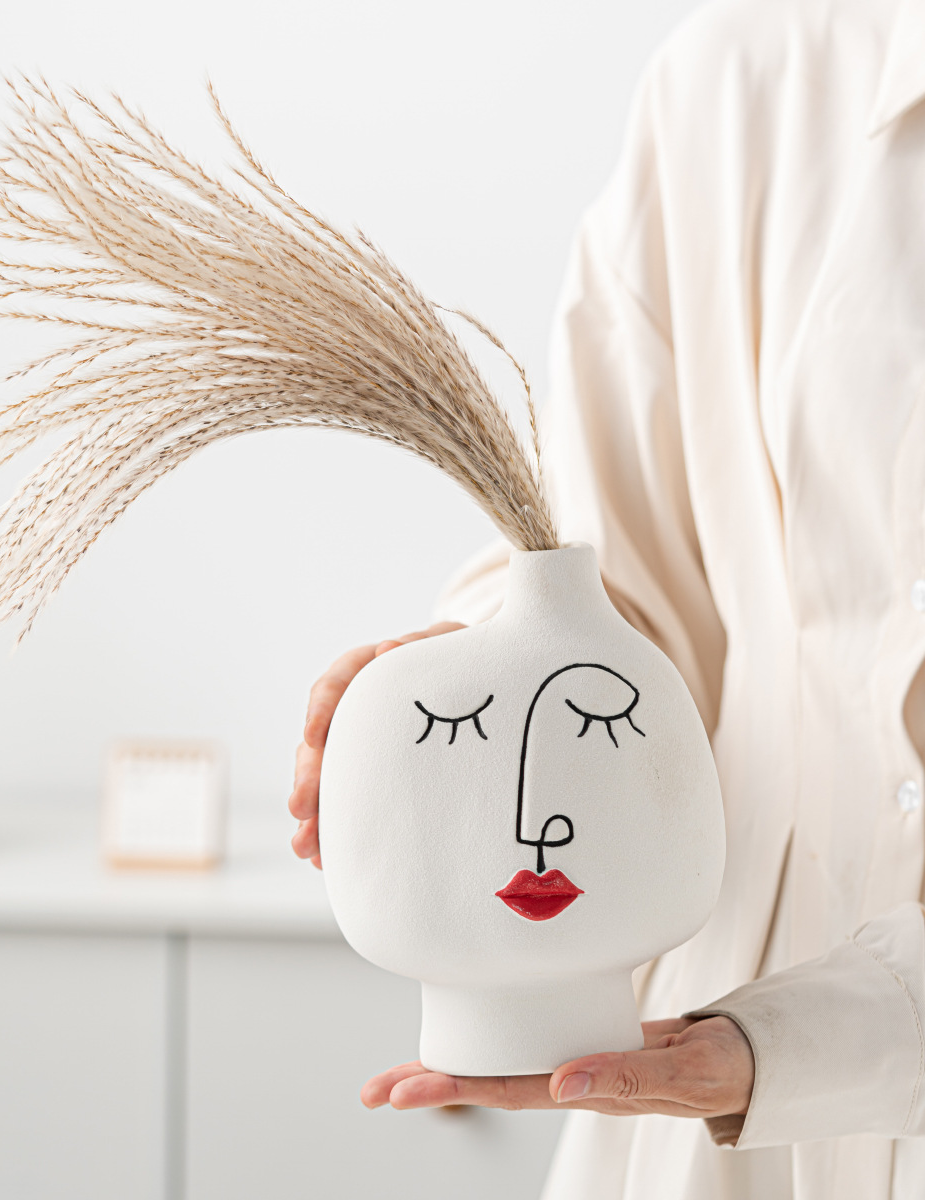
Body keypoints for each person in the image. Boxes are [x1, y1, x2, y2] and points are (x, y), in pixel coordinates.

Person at [287, 0, 925, 1195]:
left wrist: (844, 1037)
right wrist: (476, 682)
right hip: (720, 1071)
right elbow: (613, 576)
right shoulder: (746, 83)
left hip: (747, 1059)